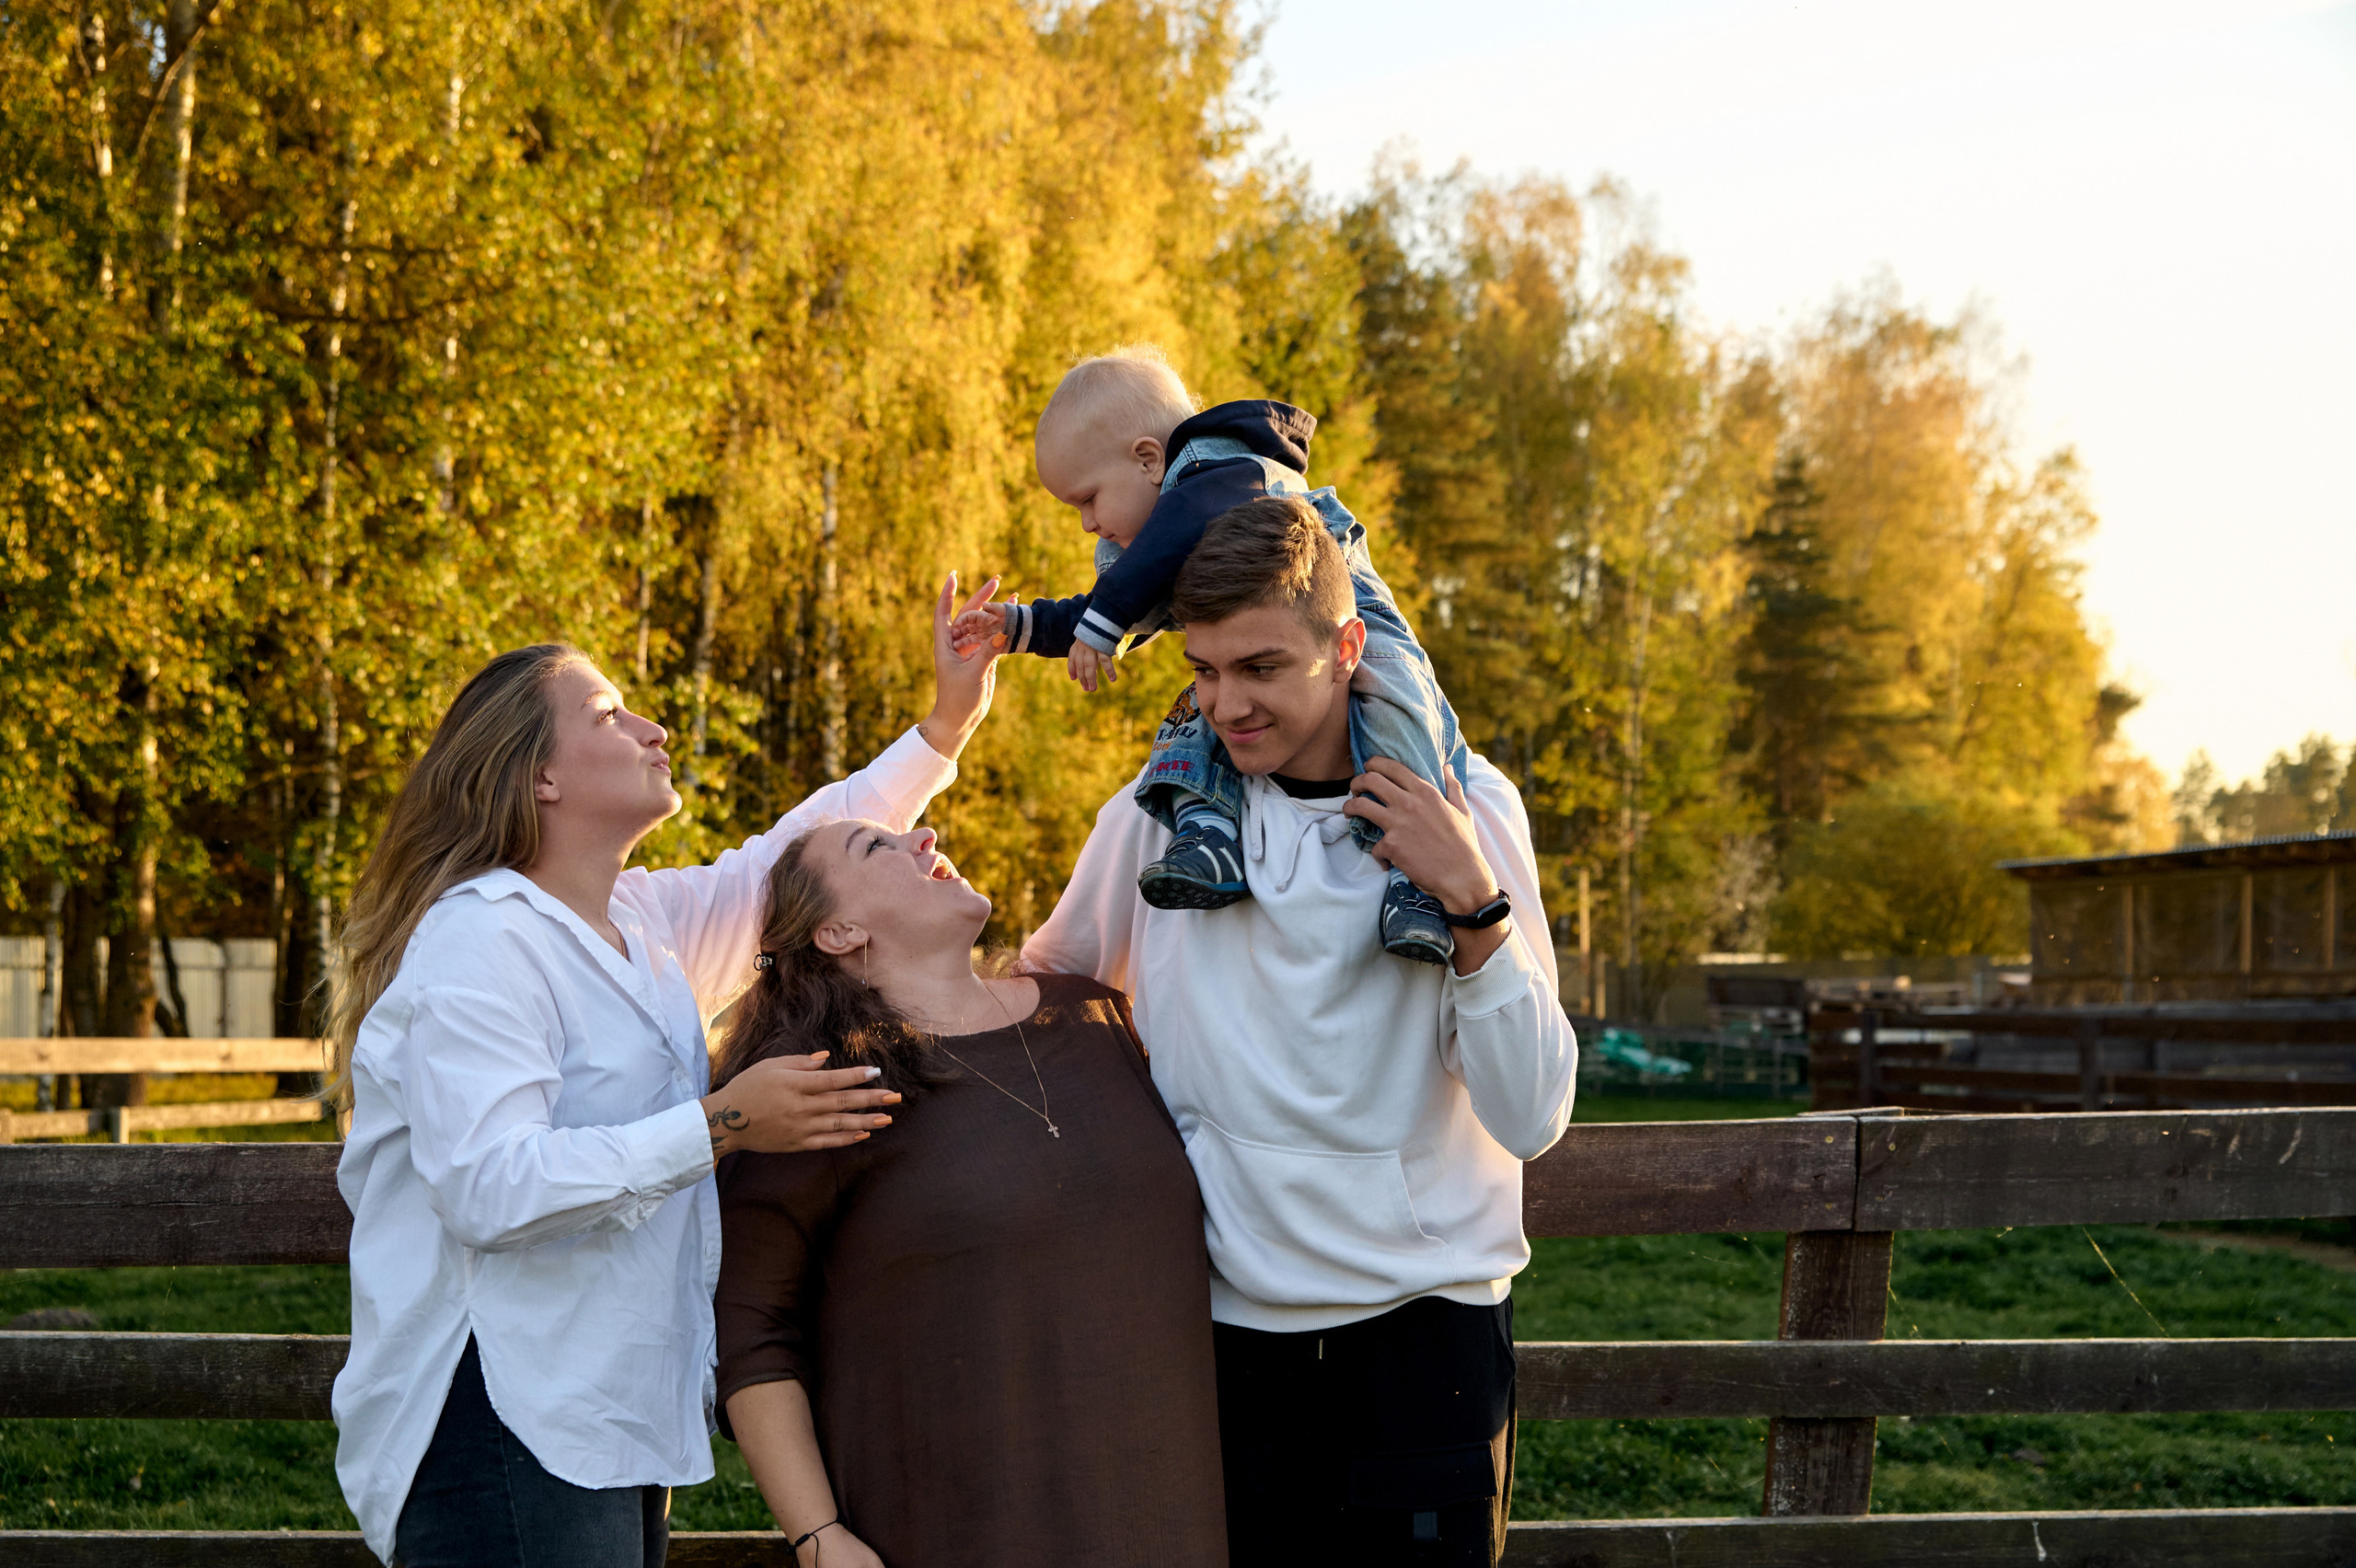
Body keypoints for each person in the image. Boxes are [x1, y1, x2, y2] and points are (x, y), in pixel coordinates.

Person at [329, 575, 1002, 1568]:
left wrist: (945, 726)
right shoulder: (481, 941)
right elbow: (489, 1187)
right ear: (539, 778)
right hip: (503, 1409)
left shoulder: (639, 923)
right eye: (609, 715)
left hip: (597, 1417)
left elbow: (790, 861)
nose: (652, 728)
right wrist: (724, 1123)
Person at [1022, 496, 1577, 1568]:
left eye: (1261, 667)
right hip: (1219, 1336)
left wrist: (1471, 899)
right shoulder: (1155, 818)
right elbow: (1048, 994)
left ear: (1348, 647)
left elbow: (1532, 1115)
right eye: (1203, 669)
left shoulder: (1467, 806)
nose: (1226, 704)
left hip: (1426, 1340)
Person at [710, 819, 1226, 1568]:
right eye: (877, 847)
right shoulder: (819, 1080)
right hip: (955, 1527)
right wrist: (818, 1538)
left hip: (1167, 1519)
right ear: (839, 932)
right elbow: (750, 1329)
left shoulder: (1095, 1014)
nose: (925, 837)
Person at [954, 344, 1471, 965]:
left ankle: (1416, 872)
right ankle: (1210, 830)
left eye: (1088, 500)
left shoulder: (1220, 471)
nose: (1087, 523)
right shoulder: (1157, 544)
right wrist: (1023, 626)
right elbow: (1116, 605)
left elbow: (1141, 573)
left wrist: (1102, 620)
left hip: (1348, 607)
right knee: (1193, 719)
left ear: (1149, 459)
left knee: (1399, 705)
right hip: (1292, 630)